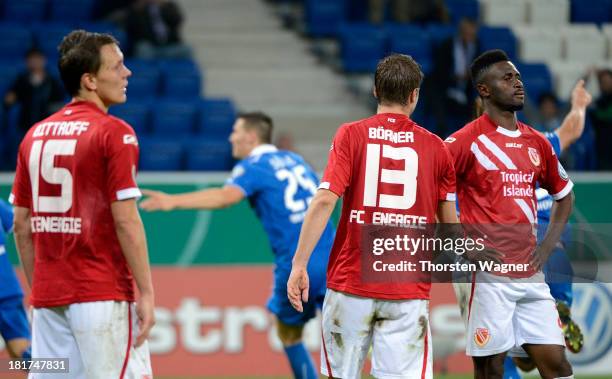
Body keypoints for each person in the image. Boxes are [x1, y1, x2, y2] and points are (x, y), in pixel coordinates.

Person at [287, 54, 458, 378]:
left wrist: (299, 264)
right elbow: (450, 227)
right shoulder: (437, 148)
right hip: (405, 289)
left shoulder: (351, 135)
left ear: (375, 91)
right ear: (414, 95)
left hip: (351, 283)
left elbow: (324, 200)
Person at [140, 112, 334, 379]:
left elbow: (224, 197)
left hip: (296, 263)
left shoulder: (253, 166)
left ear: (251, 137)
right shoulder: (295, 159)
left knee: (289, 333)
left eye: (236, 131)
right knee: (346, 331)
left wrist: (173, 201)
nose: (231, 136)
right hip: (333, 257)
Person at [10, 30, 154, 378]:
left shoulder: (35, 134)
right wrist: (147, 292)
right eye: (117, 66)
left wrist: (42, 288)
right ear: (89, 80)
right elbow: (126, 221)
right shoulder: (115, 132)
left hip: (48, 300)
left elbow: (21, 224)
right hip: (101, 294)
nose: (127, 73)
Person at [446, 49, 574, 379]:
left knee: (557, 365)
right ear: (484, 90)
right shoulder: (462, 143)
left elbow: (565, 195)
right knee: (490, 366)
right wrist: (465, 247)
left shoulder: (537, 142)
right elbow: (434, 197)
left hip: (530, 274)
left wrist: (546, 246)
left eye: (517, 76)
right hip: (488, 275)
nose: (517, 83)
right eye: (507, 78)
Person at [502, 80, 592, 378]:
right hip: (553, 237)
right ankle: (562, 305)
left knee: (502, 342)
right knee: (539, 350)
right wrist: (579, 104)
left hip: (517, 247)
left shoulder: (477, 151)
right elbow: (571, 130)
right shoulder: (538, 142)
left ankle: (521, 351)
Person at [427, 17, 480, 138]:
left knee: (477, 110)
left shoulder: (476, 45)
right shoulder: (447, 45)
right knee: (441, 117)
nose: (470, 37)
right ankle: (439, 143)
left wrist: (469, 75)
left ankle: (469, 143)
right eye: (467, 33)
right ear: (461, 32)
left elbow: (479, 68)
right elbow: (439, 71)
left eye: (472, 34)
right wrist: (455, 77)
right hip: (444, 88)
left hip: (465, 90)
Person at [4, 48, 65, 136]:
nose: (34, 62)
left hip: (46, 127)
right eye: (31, 59)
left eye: (37, 59)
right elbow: (9, 100)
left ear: (44, 60)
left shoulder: (52, 81)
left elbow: (59, 102)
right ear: (26, 62)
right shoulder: (21, 80)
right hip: (25, 126)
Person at [0, 200, 31, 361]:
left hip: (7, 292)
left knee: (21, 354)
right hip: (7, 290)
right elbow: (18, 222)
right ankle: (62, 370)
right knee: (20, 353)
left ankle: (62, 371)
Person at [124, 0, 191, 59]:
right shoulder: (139, 9)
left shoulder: (168, 6)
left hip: (169, 44)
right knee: (142, 49)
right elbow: (133, 27)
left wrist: (165, 6)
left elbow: (177, 20)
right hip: (150, 46)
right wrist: (138, 9)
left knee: (186, 49)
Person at [590, 68, 612, 170]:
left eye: (608, 81)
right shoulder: (598, 102)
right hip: (603, 144)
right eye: (603, 82)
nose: (606, 84)